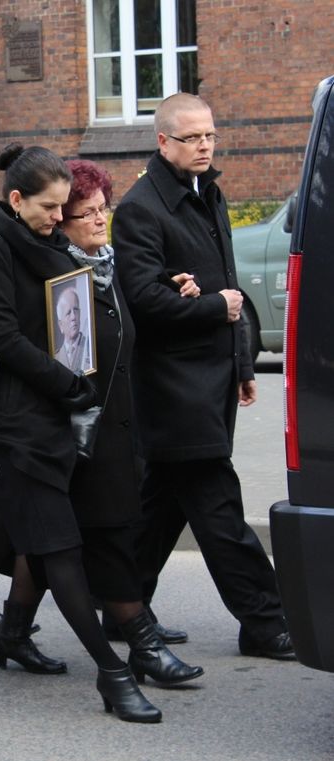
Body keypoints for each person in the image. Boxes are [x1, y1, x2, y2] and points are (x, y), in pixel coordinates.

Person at [0, 144, 161, 723]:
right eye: (50, 208)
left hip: (47, 417)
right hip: (15, 422)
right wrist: (67, 384)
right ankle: (113, 673)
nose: (60, 218)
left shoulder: (49, 247)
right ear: (16, 200)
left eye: (63, 209)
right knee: (60, 551)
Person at [0, 158, 204, 689]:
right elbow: (45, 348)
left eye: (101, 209)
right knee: (107, 534)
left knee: (40, 542)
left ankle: (12, 631)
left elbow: (124, 331)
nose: (98, 220)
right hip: (72, 425)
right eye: (85, 214)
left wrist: (168, 291)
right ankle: (142, 645)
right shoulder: (58, 271)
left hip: (111, 422)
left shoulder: (108, 265)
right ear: (58, 222)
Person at [113, 93, 295, 660]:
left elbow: (229, 282)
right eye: (192, 137)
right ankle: (264, 621)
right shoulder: (142, 208)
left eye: (210, 135)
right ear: (163, 142)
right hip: (172, 389)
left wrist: (242, 364)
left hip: (212, 380)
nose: (204, 146)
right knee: (219, 509)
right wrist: (217, 308)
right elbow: (144, 301)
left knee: (160, 509)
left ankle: (125, 607)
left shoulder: (208, 193)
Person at [52, 286, 90, 373]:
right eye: (68, 313)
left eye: (76, 310)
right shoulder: (55, 358)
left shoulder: (90, 349)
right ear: (60, 325)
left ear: (80, 313)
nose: (73, 317)